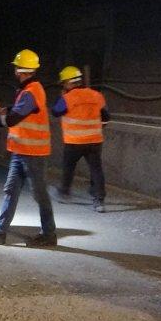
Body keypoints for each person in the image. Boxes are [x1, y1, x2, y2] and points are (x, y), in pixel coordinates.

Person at [0, 49, 58, 247]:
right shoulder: (27, 91)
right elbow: (19, 111)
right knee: (11, 190)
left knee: (40, 194)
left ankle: (49, 234)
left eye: (16, 69)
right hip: (21, 152)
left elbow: (14, 119)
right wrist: (8, 109)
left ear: (21, 70)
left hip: (33, 154)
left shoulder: (32, 91)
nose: (15, 73)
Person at [52, 65, 110, 212]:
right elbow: (106, 117)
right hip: (95, 141)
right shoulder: (96, 95)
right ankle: (99, 201)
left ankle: (64, 192)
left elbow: (55, 112)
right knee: (96, 169)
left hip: (74, 142)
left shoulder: (67, 98)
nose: (64, 86)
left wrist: (62, 97)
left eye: (64, 83)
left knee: (68, 168)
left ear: (68, 83)